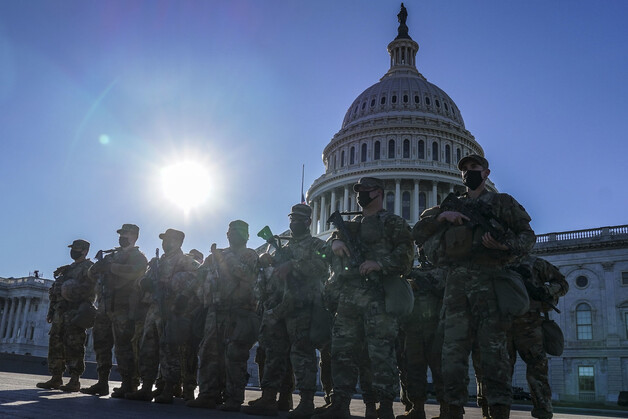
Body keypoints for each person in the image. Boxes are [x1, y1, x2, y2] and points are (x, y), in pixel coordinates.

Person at [413, 154, 536, 419]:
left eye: (474, 168)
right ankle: (453, 410)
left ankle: (498, 411)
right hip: (456, 284)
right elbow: (419, 233)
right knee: (452, 352)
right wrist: (443, 217)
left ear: (486, 172)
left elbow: (528, 236)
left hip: (490, 281)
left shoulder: (502, 202)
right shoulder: (452, 204)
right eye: (465, 169)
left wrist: (506, 246)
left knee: (494, 354)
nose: (469, 172)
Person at [314, 177, 414, 419]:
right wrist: (335, 241)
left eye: (365, 190)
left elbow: (407, 256)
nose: (360, 195)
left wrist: (379, 264)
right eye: (358, 190)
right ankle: (340, 403)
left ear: (378, 193)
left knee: (380, 355)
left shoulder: (393, 223)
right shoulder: (350, 225)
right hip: (349, 300)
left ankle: (385, 406)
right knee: (342, 352)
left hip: (378, 298)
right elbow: (326, 251)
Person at [243, 204, 329, 418]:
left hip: (301, 307)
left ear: (309, 221)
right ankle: (270, 397)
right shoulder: (283, 246)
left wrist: (293, 265)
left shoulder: (316, 244)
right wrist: (266, 260)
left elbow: (321, 269)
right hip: (278, 306)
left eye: (299, 219)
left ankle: (307, 401)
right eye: (292, 218)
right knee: (273, 353)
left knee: (302, 353)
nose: (294, 223)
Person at [187, 220, 260, 411]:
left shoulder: (250, 255)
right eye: (231, 231)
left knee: (235, 355)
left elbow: (248, 277)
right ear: (226, 234)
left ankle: (233, 398)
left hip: (239, 312)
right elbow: (199, 277)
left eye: (239, 231)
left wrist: (224, 260)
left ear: (247, 236)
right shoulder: (215, 256)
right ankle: (208, 394)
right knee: (209, 352)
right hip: (214, 310)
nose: (234, 234)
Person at [126, 228, 199, 403]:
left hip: (172, 310)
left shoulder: (186, 261)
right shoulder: (158, 262)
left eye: (169, 239)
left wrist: (180, 295)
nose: (165, 243)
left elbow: (196, 279)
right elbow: (144, 280)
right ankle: (146, 387)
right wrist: (145, 282)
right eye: (164, 240)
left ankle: (168, 388)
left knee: (169, 350)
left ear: (179, 242)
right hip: (153, 310)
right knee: (147, 348)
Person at [81, 224, 148, 398]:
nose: (122, 236)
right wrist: (96, 269)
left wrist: (111, 268)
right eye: (120, 233)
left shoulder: (138, 257)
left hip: (123, 308)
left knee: (123, 346)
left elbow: (135, 272)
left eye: (125, 233)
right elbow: (92, 274)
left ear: (134, 236)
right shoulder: (112, 255)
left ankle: (128, 384)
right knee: (101, 345)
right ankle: (102, 382)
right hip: (104, 306)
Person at [507, 256, 568, 419]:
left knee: (538, 368)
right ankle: (497, 412)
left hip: (529, 324)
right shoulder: (490, 261)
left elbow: (563, 284)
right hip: (499, 324)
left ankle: (543, 411)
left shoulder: (536, 264)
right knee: (499, 370)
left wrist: (546, 290)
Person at [37, 239, 95, 392]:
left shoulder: (88, 268)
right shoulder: (67, 269)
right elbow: (55, 292)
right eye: (72, 248)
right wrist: (51, 311)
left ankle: (75, 380)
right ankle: (56, 377)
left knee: (74, 345)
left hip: (75, 311)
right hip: (59, 312)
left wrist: (73, 294)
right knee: (55, 344)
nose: (73, 251)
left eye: (76, 248)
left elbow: (90, 289)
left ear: (84, 251)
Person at [396, 251, 447, 419]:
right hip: (413, 328)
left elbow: (441, 287)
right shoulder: (412, 271)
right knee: (413, 369)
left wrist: (421, 282)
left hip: (436, 328)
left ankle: (447, 410)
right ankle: (416, 408)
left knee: (441, 370)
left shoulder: (444, 271)